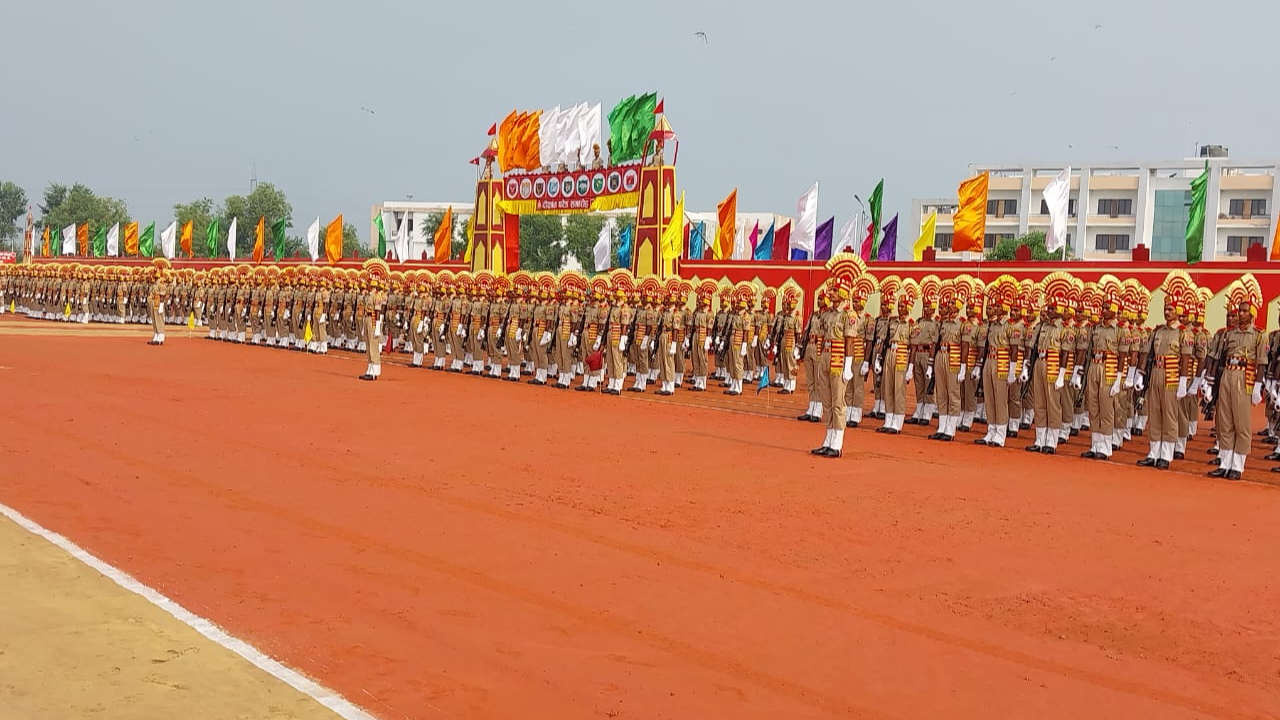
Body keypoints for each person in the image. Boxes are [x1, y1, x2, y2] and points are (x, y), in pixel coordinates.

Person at [146, 259, 171, 346]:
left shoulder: (161, 283)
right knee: (154, 319)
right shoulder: (155, 283)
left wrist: (161, 305)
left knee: (159, 320)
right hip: (153, 302)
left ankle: (160, 337)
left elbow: (163, 295)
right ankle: (156, 335)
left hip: (158, 302)